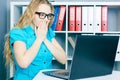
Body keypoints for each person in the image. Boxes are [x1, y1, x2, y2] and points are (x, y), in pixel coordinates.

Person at [4, 0, 67, 80]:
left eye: (49, 15)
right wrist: (39, 39)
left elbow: (63, 59)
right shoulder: (18, 33)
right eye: (42, 15)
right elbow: (23, 63)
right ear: (31, 14)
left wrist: (45, 39)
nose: (46, 20)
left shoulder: (47, 32)